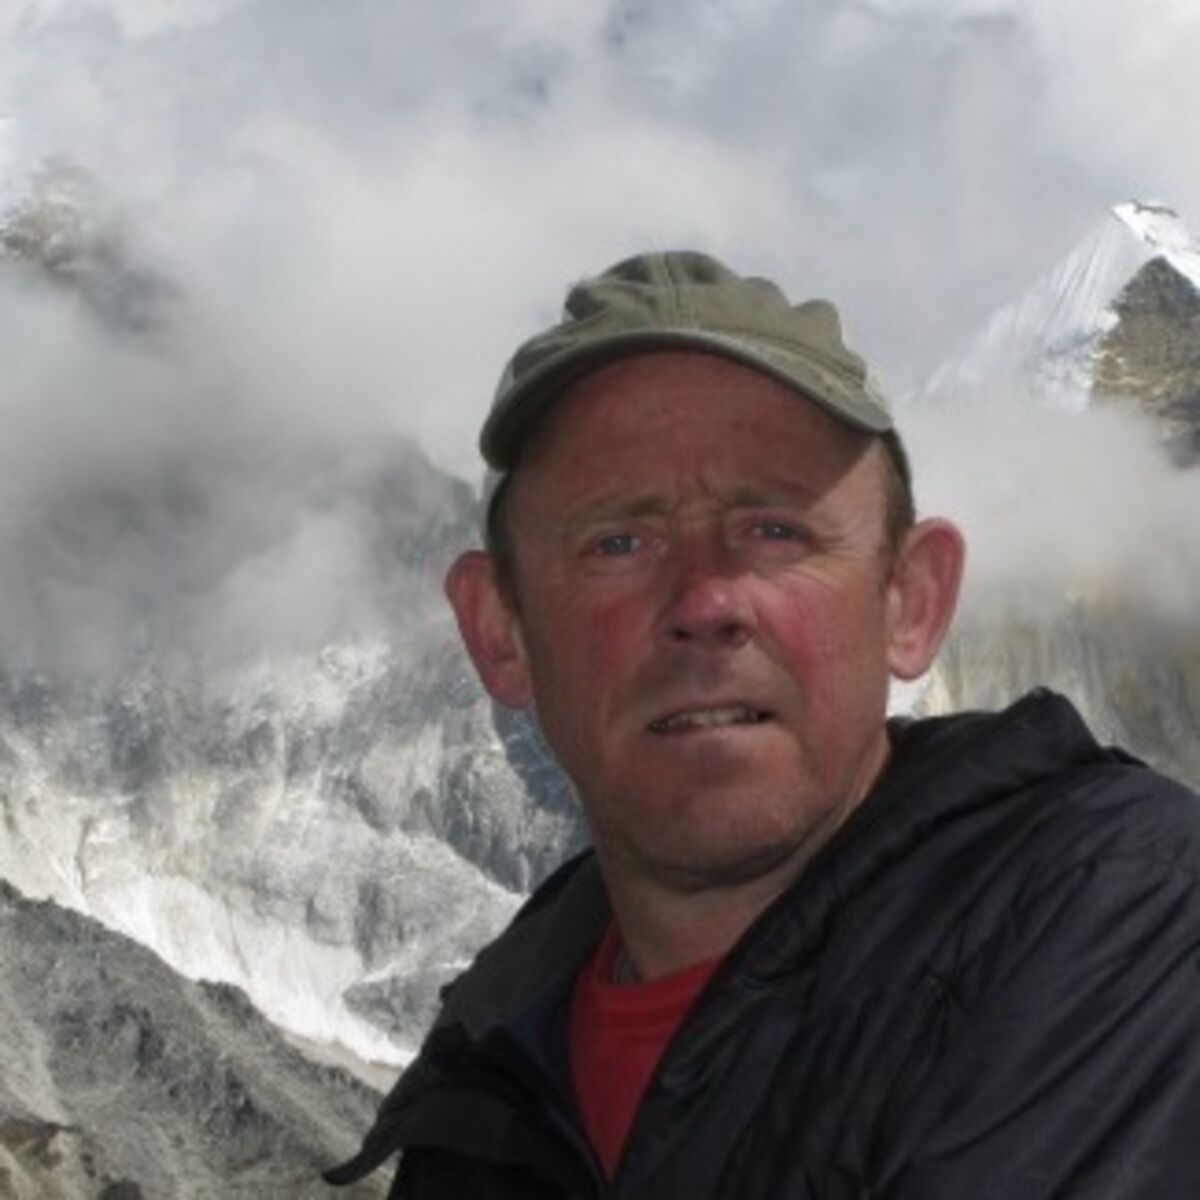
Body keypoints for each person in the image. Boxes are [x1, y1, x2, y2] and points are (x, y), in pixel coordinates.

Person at [327, 252, 1200, 1198]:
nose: (705, 602)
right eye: (619, 542)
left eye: (776, 530)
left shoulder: (1118, 909)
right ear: (501, 633)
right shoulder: (488, 1078)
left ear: (910, 601)